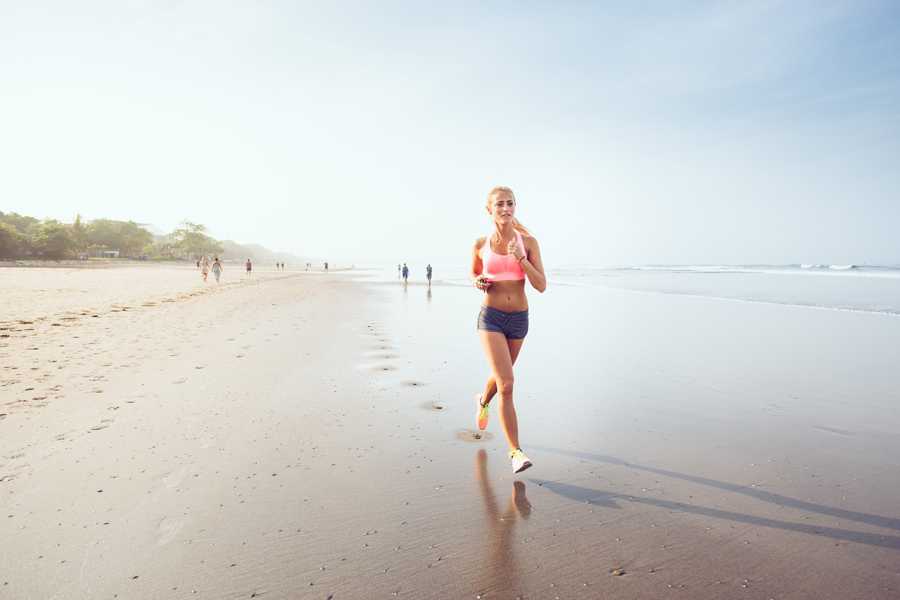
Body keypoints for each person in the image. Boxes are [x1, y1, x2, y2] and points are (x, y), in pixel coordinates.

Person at [470, 186, 546, 473]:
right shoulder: (480, 244)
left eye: (510, 203)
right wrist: (477, 280)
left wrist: (521, 258)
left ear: (515, 207)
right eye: (499, 204)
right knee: (508, 384)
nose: (505, 208)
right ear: (489, 209)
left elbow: (541, 285)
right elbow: (473, 272)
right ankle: (516, 452)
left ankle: (482, 400)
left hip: (519, 320)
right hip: (491, 318)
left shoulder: (528, 242)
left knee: (502, 379)